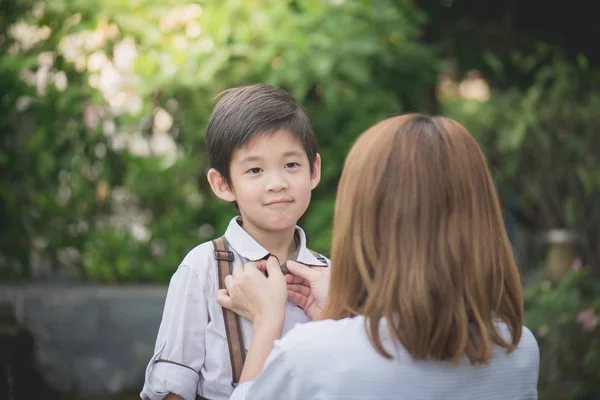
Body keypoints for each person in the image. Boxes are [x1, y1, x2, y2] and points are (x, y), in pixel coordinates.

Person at [218, 114, 540, 399]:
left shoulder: (310, 355)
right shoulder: (519, 351)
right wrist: (340, 315)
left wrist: (266, 324)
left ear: (363, 220)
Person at [140, 84, 329, 400]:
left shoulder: (328, 276)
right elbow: (172, 390)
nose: (277, 183)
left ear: (313, 171)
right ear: (223, 184)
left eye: (291, 165)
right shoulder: (203, 269)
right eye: (255, 169)